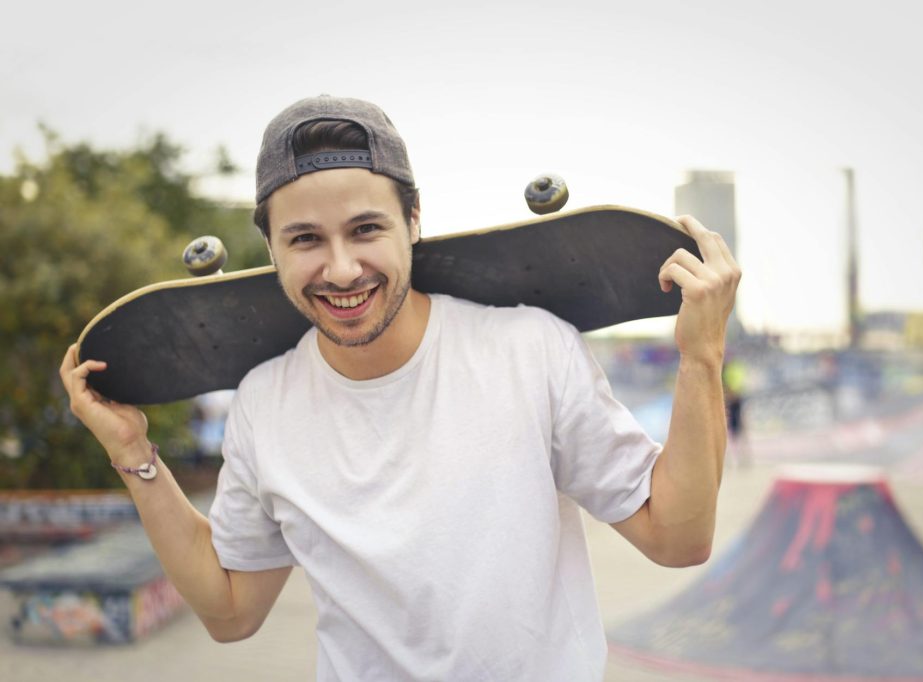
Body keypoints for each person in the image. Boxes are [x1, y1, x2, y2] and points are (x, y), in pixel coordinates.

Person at [60, 95, 741, 681]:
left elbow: (677, 538)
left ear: (413, 220)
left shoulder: (529, 349)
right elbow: (231, 612)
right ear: (271, 250)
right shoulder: (264, 405)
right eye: (305, 240)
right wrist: (134, 455)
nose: (341, 270)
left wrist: (701, 356)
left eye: (366, 230)